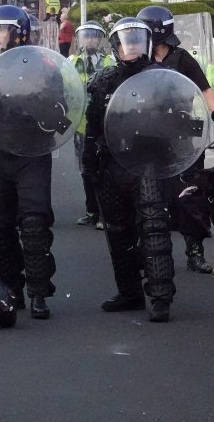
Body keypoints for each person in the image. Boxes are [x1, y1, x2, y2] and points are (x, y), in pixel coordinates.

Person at [84, 18, 178, 321]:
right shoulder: (103, 82)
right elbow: (92, 126)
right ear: (116, 46)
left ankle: (161, 296)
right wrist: (89, 164)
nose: (133, 46)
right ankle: (129, 292)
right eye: (127, 41)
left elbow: (180, 119)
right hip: (113, 163)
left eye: (138, 40)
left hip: (147, 163)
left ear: (147, 43)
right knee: (117, 232)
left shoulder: (162, 78)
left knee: (153, 228)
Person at [0, 5, 57, 320]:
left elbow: (58, 109)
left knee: (33, 225)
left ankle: (38, 293)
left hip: (31, 155)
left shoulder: (44, 66)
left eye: (2, 29)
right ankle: (11, 288)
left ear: (19, 32)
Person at [137, 5, 214, 275]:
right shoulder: (139, 61)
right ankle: (148, 252)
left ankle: (195, 251)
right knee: (149, 195)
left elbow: (204, 89)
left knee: (189, 195)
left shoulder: (182, 59)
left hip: (179, 135)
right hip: (147, 136)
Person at [71, 22, 113, 228]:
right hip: (81, 125)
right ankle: (91, 210)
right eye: (85, 36)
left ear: (100, 39)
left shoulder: (109, 62)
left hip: (103, 123)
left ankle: (105, 212)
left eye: (94, 36)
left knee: (104, 168)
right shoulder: (72, 62)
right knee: (86, 170)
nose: (89, 40)